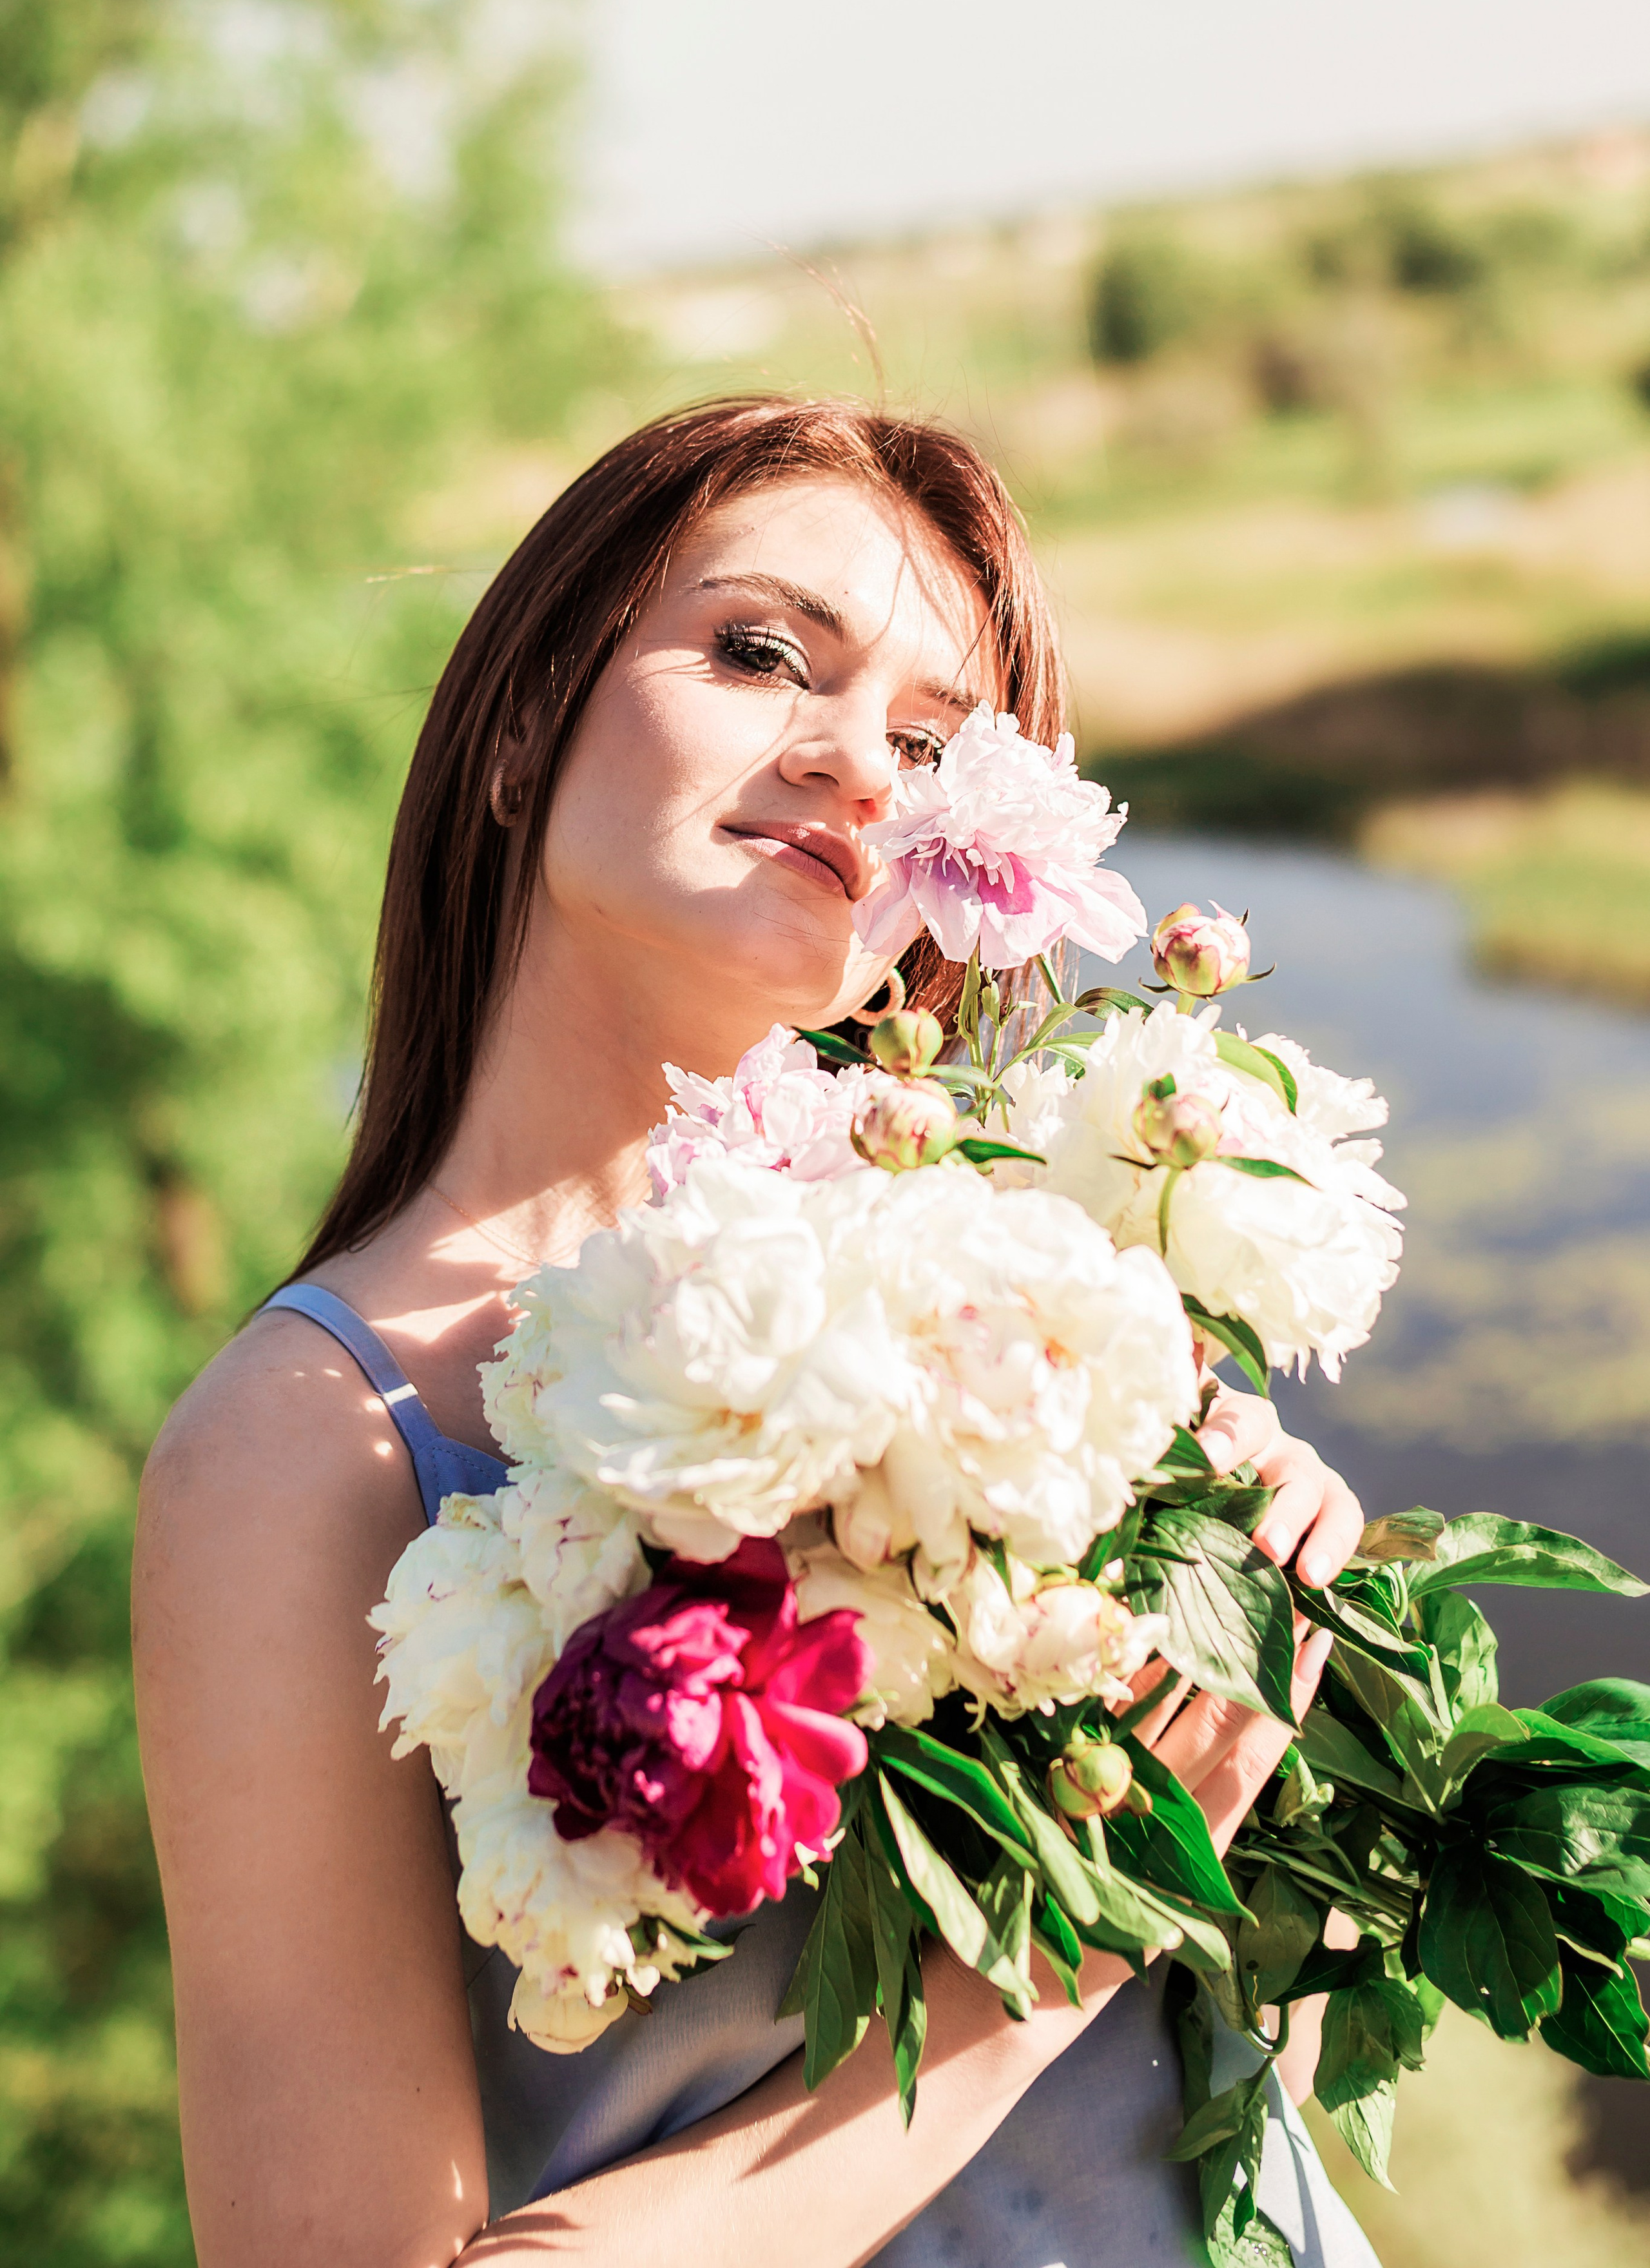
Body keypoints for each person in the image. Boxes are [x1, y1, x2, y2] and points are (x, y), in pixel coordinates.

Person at [135, 397, 1379, 2268]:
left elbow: (1227, 2066)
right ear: (522, 721)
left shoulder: (1031, 1295)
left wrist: (1260, 1663)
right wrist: (1043, 1960)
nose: (863, 769)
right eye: (759, 651)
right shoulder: (307, 1451)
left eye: (933, 744)